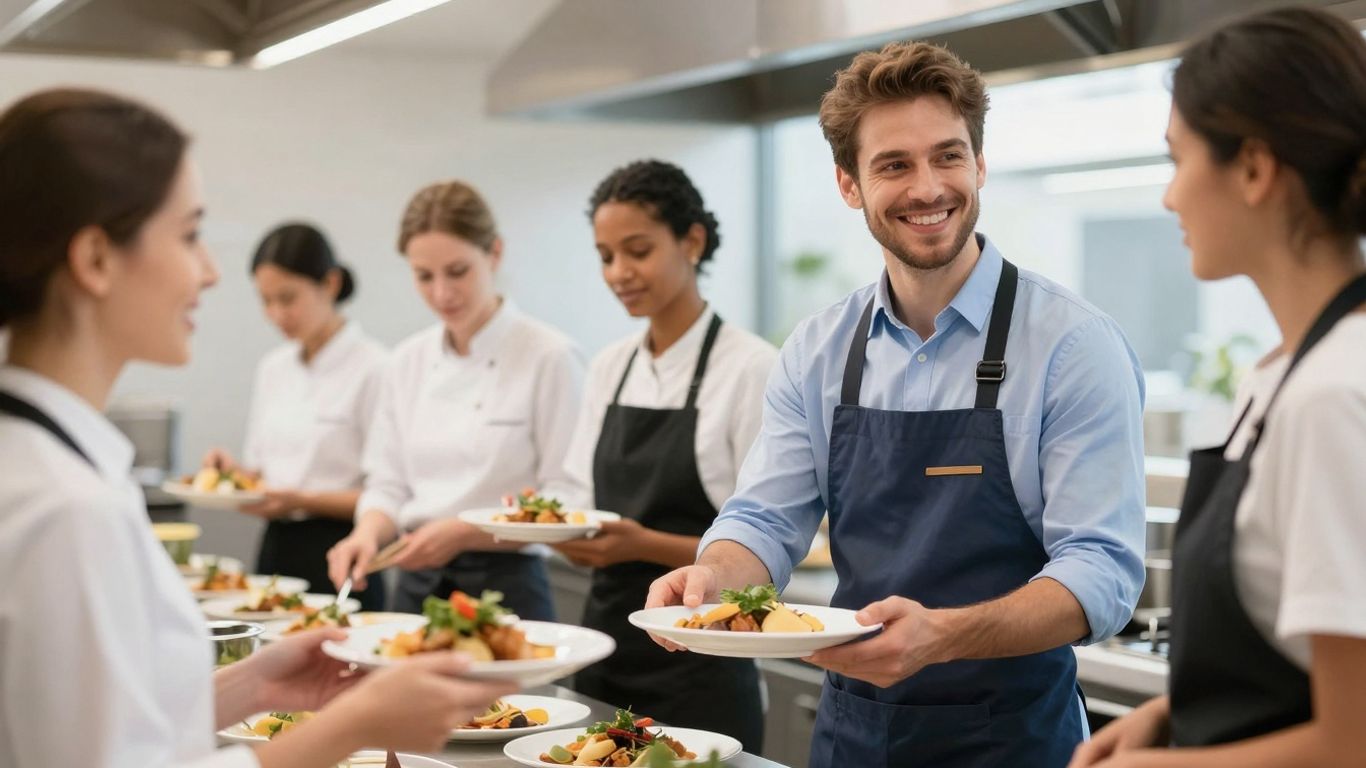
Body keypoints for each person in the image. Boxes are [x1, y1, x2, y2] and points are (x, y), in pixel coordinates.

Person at [647, 40, 1148, 767]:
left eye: (948, 156)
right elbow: (763, 517)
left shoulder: (1073, 346)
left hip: (1012, 739)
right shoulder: (819, 349)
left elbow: (1101, 572)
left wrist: (943, 634)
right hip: (855, 735)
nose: (927, 187)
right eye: (894, 165)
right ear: (849, 185)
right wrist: (713, 577)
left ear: (980, 165)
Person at [0, 87, 515, 768]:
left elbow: (105, 730)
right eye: (189, 236)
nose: (210, 272)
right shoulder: (64, 508)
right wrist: (350, 727)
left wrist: (257, 684)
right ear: (95, 259)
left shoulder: (55, 470)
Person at [1069, 8, 1366, 767]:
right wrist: (1172, 712)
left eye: (1178, 159)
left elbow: (1352, 740)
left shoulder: (1334, 394)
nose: (1169, 197)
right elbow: (1296, 665)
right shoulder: (1281, 376)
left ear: (1256, 169)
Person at [551, 160, 776, 752]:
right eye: (606, 256)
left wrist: (639, 543)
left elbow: (765, 546)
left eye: (638, 250)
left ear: (692, 241)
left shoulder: (749, 367)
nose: (619, 272)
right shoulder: (610, 366)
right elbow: (576, 501)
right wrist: (560, 532)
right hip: (608, 652)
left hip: (703, 659)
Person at [328, 180, 583, 620]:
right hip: (413, 589)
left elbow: (570, 496)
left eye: (458, 271)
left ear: (495, 253)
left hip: (509, 591)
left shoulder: (550, 356)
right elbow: (388, 483)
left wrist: (467, 531)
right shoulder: (407, 361)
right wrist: (366, 534)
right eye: (424, 276)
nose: (442, 293)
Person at [202, 223, 386, 610]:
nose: (276, 314)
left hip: (345, 549)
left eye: (288, 298)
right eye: (266, 301)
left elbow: (388, 492)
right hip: (276, 548)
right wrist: (230, 476)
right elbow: (263, 475)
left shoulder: (376, 368)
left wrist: (304, 499)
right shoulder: (274, 368)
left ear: (331, 284)